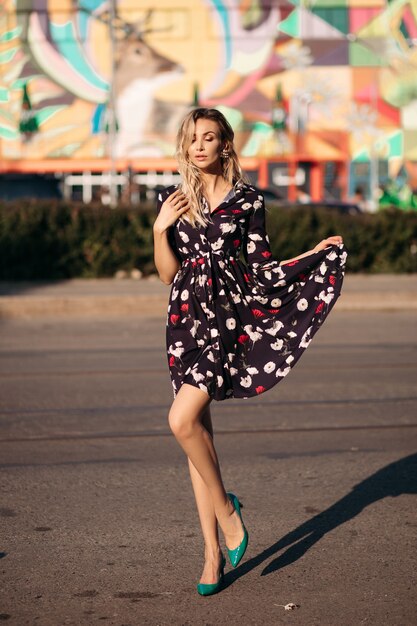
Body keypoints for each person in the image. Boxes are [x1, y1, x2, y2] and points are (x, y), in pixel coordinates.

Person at [153, 108, 347, 596]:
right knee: (196, 435)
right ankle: (212, 555)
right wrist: (159, 230)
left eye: (209, 138)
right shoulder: (175, 200)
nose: (199, 146)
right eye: (193, 138)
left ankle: (228, 515)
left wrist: (312, 256)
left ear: (225, 145)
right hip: (184, 320)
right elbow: (166, 275)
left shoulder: (247, 201)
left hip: (225, 320)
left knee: (181, 421)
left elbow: (262, 268)